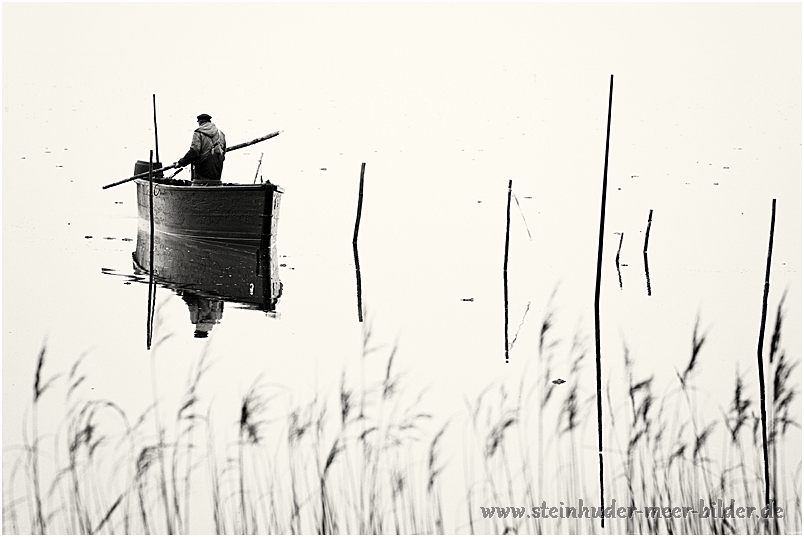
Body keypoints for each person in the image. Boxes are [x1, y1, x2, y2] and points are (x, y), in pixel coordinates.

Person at [173, 113, 227, 185]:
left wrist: (180, 163)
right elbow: (224, 152)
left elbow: (194, 152)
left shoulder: (198, 133)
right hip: (217, 170)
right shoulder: (221, 134)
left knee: (200, 185)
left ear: (200, 122)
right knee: (214, 185)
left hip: (202, 171)